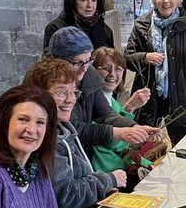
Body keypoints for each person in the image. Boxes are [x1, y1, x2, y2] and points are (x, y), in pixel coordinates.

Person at [23, 58, 127, 208]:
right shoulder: (42, 140)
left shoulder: (63, 128)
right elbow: (66, 195)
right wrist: (107, 179)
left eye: (73, 92)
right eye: (61, 92)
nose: (71, 99)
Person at [47, 28, 158, 167]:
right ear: (57, 61)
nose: (84, 68)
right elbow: (74, 129)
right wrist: (118, 133)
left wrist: (134, 127)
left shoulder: (88, 73)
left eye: (88, 61)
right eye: (77, 63)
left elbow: (105, 113)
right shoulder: (47, 84)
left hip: (83, 156)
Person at [124, 0, 186, 145]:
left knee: (183, 147)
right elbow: (127, 57)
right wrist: (145, 57)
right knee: (144, 147)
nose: (166, 1)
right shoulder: (142, 24)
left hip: (181, 95)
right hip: (149, 96)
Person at [89, 47, 166, 180]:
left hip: (119, 166)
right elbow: (114, 142)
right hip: (108, 172)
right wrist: (130, 108)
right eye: (106, 68)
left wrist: (131, 109)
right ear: (93, 71)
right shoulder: (92, 102)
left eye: (118, 69)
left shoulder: (111, 100)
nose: (113, 74)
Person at [43, 0, 114, 51]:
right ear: (73, 1)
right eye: (83, 0)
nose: (90, 5)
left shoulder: (105, 30)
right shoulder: (55, 28)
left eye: (93, 0)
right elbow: (50, 61)